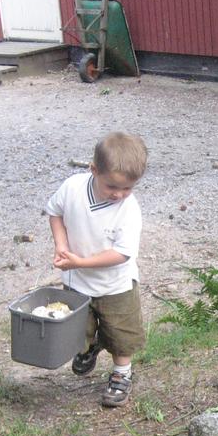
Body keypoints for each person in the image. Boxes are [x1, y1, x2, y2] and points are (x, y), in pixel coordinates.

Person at [45, 131, 147, 407]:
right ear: (93, 170)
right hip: (77, 282)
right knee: (79, 328)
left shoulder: (128, 209)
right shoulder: (73, 188)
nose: (119, 194)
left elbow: (121, 254)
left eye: (128, 188)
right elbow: (55, 212)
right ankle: (90, 347)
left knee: (121, 333)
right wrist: (61, 244)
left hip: (115, 285)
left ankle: (121, 374)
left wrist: (80, 262)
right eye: (112, 186)